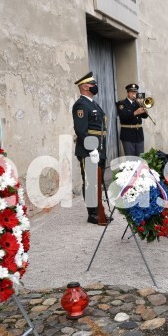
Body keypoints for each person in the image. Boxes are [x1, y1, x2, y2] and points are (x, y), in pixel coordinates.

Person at [72, 71, 110, 225]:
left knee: (98, 180)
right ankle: (93, 214)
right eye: (93, 84)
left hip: (99, 148)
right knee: (90, 182)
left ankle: (98, 210)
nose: (96, 86)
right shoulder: (81, 104)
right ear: (85, 87)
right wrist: (92, 149)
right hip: (89, 150)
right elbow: (81, 130)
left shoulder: (93, 103)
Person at [117, 83, 147, 157]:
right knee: (130, 159)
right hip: (128, 134)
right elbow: (123, 117)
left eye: (135, 92)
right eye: (132, 92)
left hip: (139, 134)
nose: (134, 94)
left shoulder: (138, 103)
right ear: (128, 93)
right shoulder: (122, 103)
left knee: (141, 158)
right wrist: (136, 112)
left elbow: (145, 116)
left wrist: (144, 109)